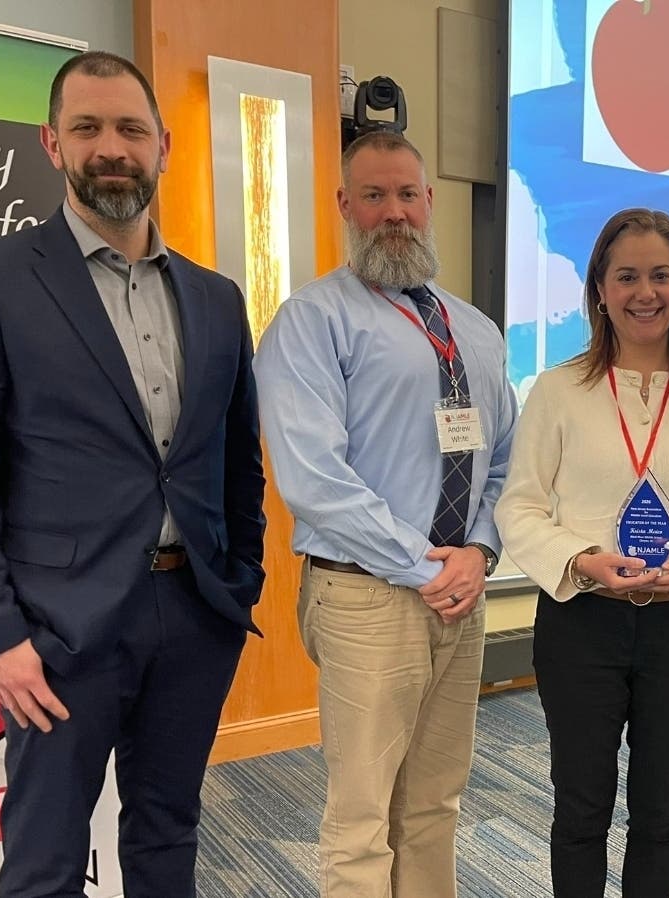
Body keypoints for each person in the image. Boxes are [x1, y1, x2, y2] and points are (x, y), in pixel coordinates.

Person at [0, 51, 266, 897]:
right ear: (51, 143)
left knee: (168, 833)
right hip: (56, 633)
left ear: (163, 145)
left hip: (194, 615)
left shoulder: (216, 297)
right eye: (87, 127)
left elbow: (238, 460)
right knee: (45, 859)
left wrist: (240, 585)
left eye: (130, 128)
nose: (111, 148)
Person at [252, 128, 517, 898]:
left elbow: (504, 458)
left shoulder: (474, 329)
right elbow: (312, 478)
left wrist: (479, 550)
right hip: (366, 597)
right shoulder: (311, 320)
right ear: (345, 205)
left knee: (435, 803)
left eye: (407, 194)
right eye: (374, 195)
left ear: (429, 202)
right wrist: (421, 563)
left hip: (458, 594)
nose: (393, 212)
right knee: (362, 817)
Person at [495, 208, 669, 898]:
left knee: (660, 812)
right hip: (584, 624)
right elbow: (517, 506)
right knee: (580, 809)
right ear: (600, 290)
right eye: (627, 276)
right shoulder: (557, 391)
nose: (645, 293)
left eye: (660, 276)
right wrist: (580, 557)